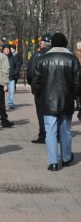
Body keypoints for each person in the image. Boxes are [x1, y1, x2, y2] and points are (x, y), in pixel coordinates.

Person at [32, 33, 80, 171]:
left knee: (50, 131)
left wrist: (39, 94)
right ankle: (65, 158)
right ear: (65, 44)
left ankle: (53, 162)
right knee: (65, 130)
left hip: (48, 100)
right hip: (66, 100)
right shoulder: (72, 59)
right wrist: (75, 96)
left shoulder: (43, 59)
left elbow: (36, 81)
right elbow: (78, 83)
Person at [27, 34, 52, 144]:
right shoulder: (56, 54)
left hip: (40, 89)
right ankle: (53, 135)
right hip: (53, 89)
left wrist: (32, 84)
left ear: (42, 43)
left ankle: (43, 135)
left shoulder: (37, 55)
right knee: (53, 113)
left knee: (41, 113)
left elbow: (31, 72)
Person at [3, 44, 20, 110]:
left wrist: (14, 73)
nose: (7, 51)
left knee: (11, 91)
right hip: (2, 78)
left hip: (11, 78)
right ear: (3, 50)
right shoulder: (1, 57)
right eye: (6, 49)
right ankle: (0, 104)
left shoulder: (13, 58)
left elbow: (17, 66)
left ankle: (10, 104)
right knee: (1, 93)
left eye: (8, 49)